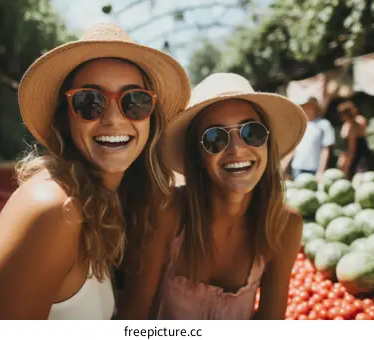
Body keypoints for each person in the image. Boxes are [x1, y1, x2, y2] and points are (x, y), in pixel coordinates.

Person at [0, 22, 191, 320]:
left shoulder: (103, 205)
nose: (113, 119)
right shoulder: (51, 209)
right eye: (90, 101)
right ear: (65, 117)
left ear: (150, 118)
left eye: (134, 101)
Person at [116, 73, 307, 320]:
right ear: (197, 156)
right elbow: (133, 319)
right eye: (215, 138)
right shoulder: (167, 213)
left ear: (267, 145)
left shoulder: (285, 226)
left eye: (252, 132)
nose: (237, 149)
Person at [289, 97, 335, 180]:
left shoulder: (324, 124)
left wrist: (321, 171)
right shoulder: (299, 124)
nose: (306, 109)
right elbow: (293, 148)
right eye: (305, 106)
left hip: (314, 169)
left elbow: (326, 149)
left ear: (315, 108)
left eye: (309, 106)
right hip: (297, 168)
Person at [337, 101, 374, 179]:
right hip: (366, 155)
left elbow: (352, 149)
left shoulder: (350, 128)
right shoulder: (361, 119)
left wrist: (346, 166)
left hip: (357, 158)